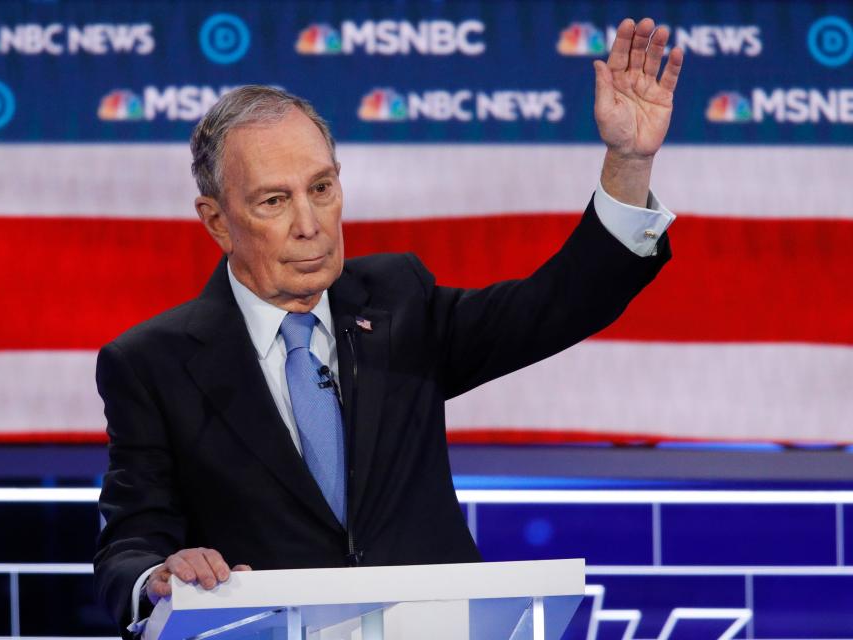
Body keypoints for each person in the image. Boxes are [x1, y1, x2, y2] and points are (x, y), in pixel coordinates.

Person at [94, 17, 684, 635]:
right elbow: (127, 548)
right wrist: (159, 575)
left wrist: (628, 161)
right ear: (216, 221)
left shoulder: (400, 302)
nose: (310, 223)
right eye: (274, 201)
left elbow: (558, 305)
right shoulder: (153, 364)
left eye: (321, 188)